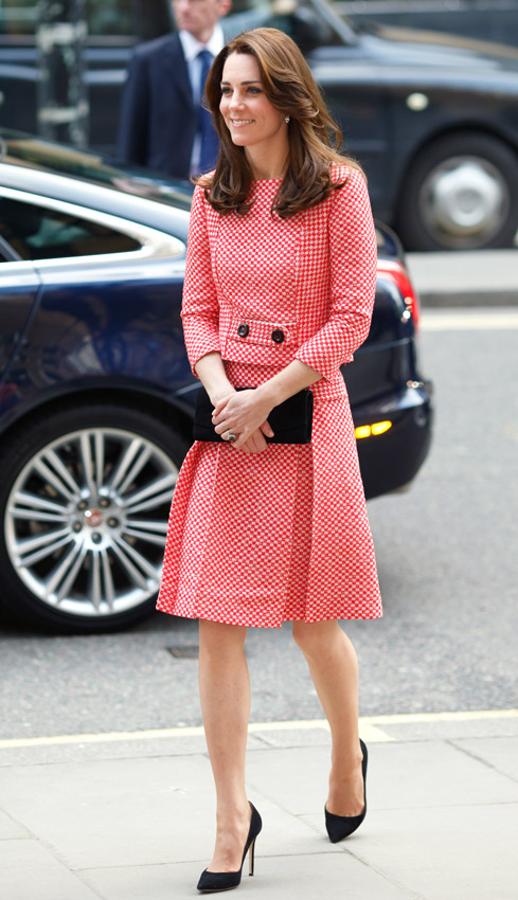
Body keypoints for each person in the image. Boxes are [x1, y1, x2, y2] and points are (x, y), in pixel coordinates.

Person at [156, 26, 383, 894]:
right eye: (225, 91)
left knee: (311, 619)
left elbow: (349, 319)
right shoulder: (211, 191)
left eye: (251, 90)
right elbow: (197, 312)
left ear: (287, 97)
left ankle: (344, 754)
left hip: (300, 412)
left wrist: (266, 397)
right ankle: (230, 817)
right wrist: (224, 393)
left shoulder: (337, 191)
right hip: (231, 420)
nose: (235, 105)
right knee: (218, 623)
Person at [117, 0, 231, 178]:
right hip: (167, 190)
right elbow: (131, 140)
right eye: (178, 0)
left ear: (223, 4)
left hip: (229, 189)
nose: (183, 8)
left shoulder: (242, 58)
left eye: (194, 1)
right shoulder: (148, 60)